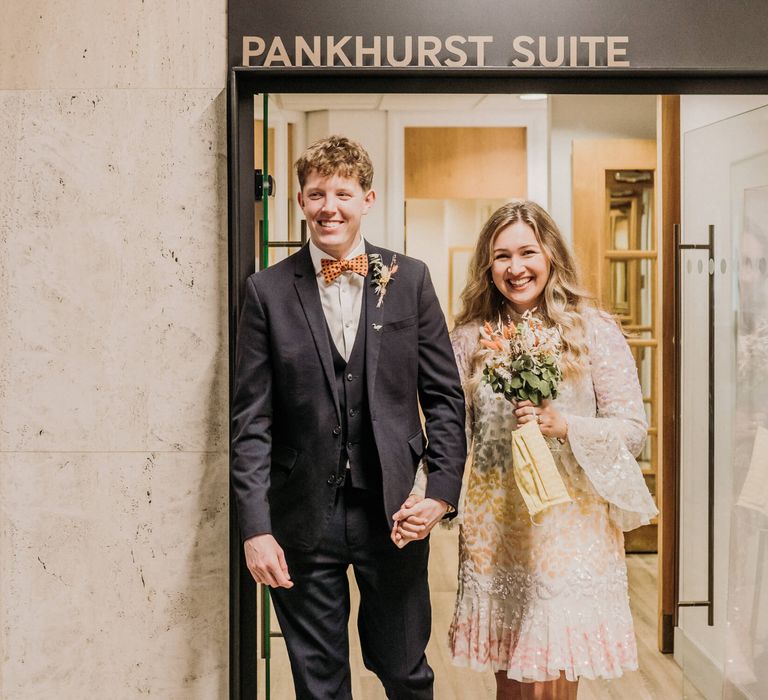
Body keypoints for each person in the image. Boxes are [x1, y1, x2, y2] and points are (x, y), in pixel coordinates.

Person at [231, 135, 466, 699]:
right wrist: (256, 528)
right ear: (300, 200)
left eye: (342, 193)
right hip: (301, 517)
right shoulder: (266, 291)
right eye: (316, 194)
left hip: (395, 512)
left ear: (368, 198)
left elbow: (444, 398)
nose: (328, 206)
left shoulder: (410, 279)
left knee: (406, 672)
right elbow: (251, 421)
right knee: (319, 686)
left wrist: (439, 491)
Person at [446, 200, 658, 699]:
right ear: (487, 266)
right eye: (501, 256)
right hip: (497, 524)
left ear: (551, 255)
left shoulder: (593, 331)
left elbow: (632, 429)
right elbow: (449, 433)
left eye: (527, 252)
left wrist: (565, 425)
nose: (515, 268)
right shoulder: (469, 338)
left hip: (571, 525)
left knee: (553, 680)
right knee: (510, 679)